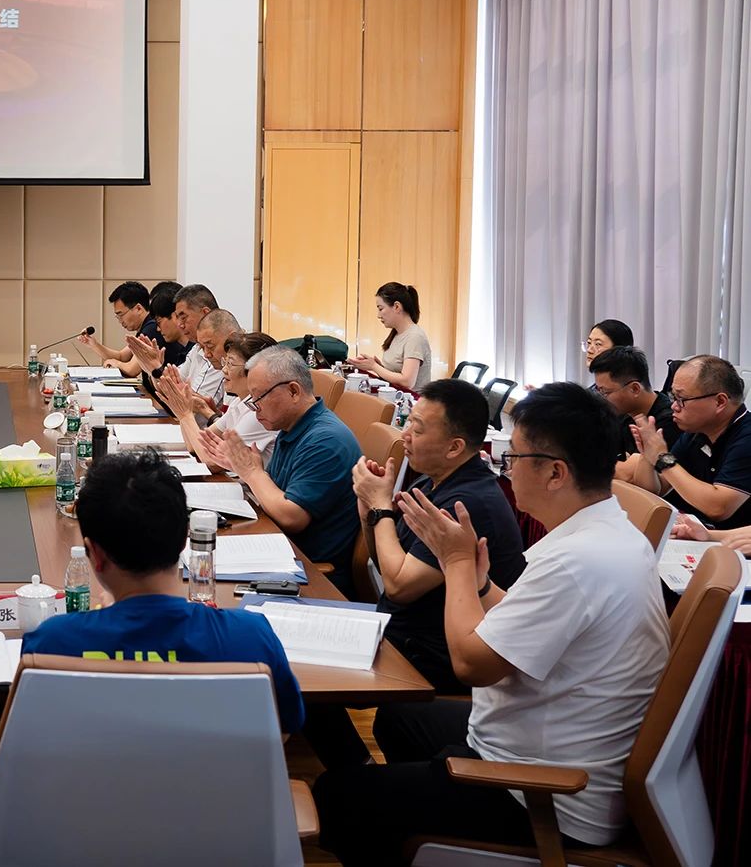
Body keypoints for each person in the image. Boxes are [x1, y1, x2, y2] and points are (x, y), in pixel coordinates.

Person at [313, 382, 668, 864]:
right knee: (401, 719)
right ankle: (425, 837)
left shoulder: (578, 561)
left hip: (547, 794)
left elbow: (471, 665)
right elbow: (521, 613)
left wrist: (457, 564)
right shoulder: (606, 533)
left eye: (513, 458)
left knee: (338, 795)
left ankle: (424, 828)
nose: (504, 468)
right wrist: (480, 583)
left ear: (556, 472)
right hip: (531, 739)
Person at [300, 381, 528, 770]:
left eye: (417, 429)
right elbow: (387, 561)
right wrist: (368, 511)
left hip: (431, 651)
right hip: (402, 631)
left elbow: (399, 586)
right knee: (296, 654)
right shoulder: (434, 480)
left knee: (304, 674)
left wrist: (381, 507)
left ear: (455, 446)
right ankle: (358, 772)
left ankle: (357, 776)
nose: (405, 435)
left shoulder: (465, 503)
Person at [20, 449, 304, 732]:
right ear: (184, 540)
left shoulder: (51, 644)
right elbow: (283, 729)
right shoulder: (251, 637)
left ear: (94, 554)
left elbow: (31, 734)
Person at [215, 346, 362, 595]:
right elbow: (274, 490)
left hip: (311, 577)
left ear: (293, 391)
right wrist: (247, 470)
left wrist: (252, 473)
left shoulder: (326, 440)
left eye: (258, 398)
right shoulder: (290, 426)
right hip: (279, 553)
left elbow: (292, 517)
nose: (254, 408)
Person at [632, 355, 751, 547]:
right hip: (699, 537)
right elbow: (654, 489)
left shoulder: (746, 437)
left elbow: (718, 507)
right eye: (673, 397)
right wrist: (648, 455)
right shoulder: (696, 432)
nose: (673, 406)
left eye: (682, 399)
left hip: (734, 550)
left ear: (720, 402)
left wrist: (663, 458)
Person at [191, 332, 281, 474]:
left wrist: (184, 414)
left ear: (255, 371)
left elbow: (212, 463)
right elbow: (196, 444)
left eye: (231, 364)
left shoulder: (259, 412)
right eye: (225, 362)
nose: (224, 370)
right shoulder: (239, 402)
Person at [591, 346, 680, 483]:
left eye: (605, 392)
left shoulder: (669, 421)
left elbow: (626, 474)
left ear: (635, 388)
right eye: (598, 391)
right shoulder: (622, 414)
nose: (601, 398)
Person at [349, 282, 432, 391]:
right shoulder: (397, 334)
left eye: (380, 308)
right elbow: (396, 374)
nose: (378, 315)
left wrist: (374, 366)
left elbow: (407, 382)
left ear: (397, 307)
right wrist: (378, 366)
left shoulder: (415, 337)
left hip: (411, 399)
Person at [76, 281, 162, 376]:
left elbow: (131, 370)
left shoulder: (151, 329)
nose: (120, 321)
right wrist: (94, 344)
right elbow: (121, 357)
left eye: (121, 314)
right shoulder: (145, 327)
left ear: (138, 309)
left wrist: (115, 363)